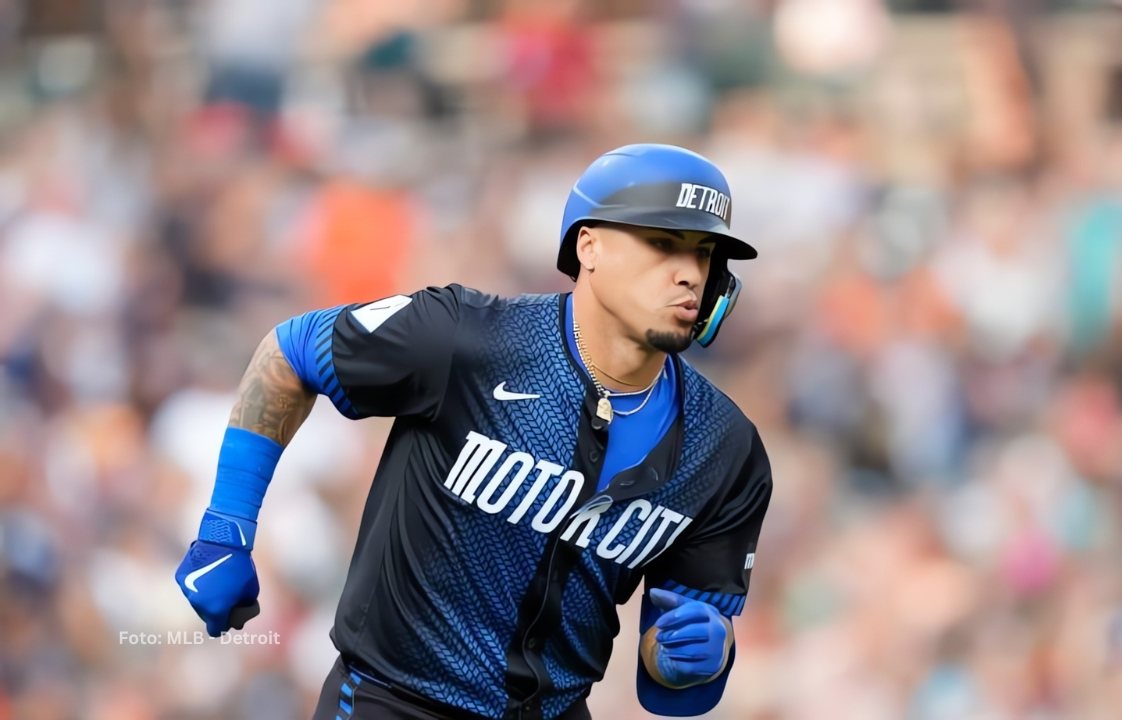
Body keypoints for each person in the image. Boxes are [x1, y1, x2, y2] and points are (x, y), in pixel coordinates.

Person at [174, 144, 773, 719]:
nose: (689, 274)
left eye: (703, 254)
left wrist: (699, 656)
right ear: (588, 246)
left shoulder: (726, 448)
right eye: (663, 243)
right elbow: (289, 354)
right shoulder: (466, 339)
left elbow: (666, 675)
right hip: (394, 702)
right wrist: (226, 526)